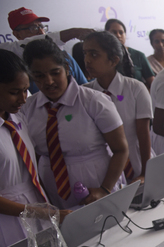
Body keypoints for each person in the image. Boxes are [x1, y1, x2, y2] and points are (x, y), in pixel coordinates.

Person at [21, 39, 128, 210]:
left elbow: (121, 149)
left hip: (98, 182)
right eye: (39, 76)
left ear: (67, 69)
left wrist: (104, 189)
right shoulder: (27, 108)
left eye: (55, 73)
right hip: (53, 187)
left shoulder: (94, 101)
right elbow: (32, 156)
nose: (48, 81)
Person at [0, 50, 72, 247]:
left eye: (25, 90)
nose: (23, 99)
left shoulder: (17, 119)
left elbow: (30, 169)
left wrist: (44, 209)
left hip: (36, 207)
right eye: (14, 92)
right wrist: (39, 212)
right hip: (8, 218)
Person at [83, 31, 153, 184]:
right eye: (85, 53)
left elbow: (143, 134)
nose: (87, 60)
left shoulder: (136, 88)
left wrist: (145, 172)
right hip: (103, 171)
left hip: (137, 164)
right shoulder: (84, 94)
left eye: (94, 55)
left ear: (114, 60)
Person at [5, 7, 90, 93]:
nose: (41, 32)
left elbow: (85, 88)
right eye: (33, 28)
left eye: (41, 26)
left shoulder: (64, 56)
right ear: (17, 35)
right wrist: (72, 33)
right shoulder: (16, 66)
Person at [105, 18, 155, 90]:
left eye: (121, 32)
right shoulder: (103, 57)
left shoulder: (139, 55)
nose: (118, 35)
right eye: (114, 32)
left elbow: (152, 83)